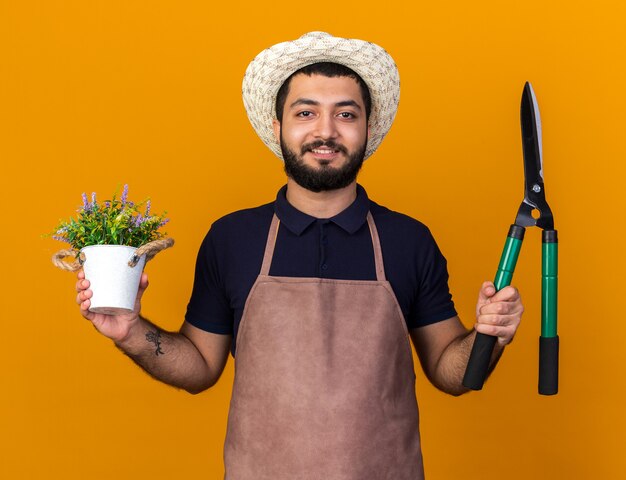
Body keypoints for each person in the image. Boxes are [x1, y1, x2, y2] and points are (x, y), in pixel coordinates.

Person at [75, 32, 523, 479]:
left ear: (368, 128)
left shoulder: (408, 240)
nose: (325, 131)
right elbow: (200, 366)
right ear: (278, 128)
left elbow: (452, 372)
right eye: (305, 112)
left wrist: (488, 335)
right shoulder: (233, 239)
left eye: (346, 114)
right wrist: (131, 332)